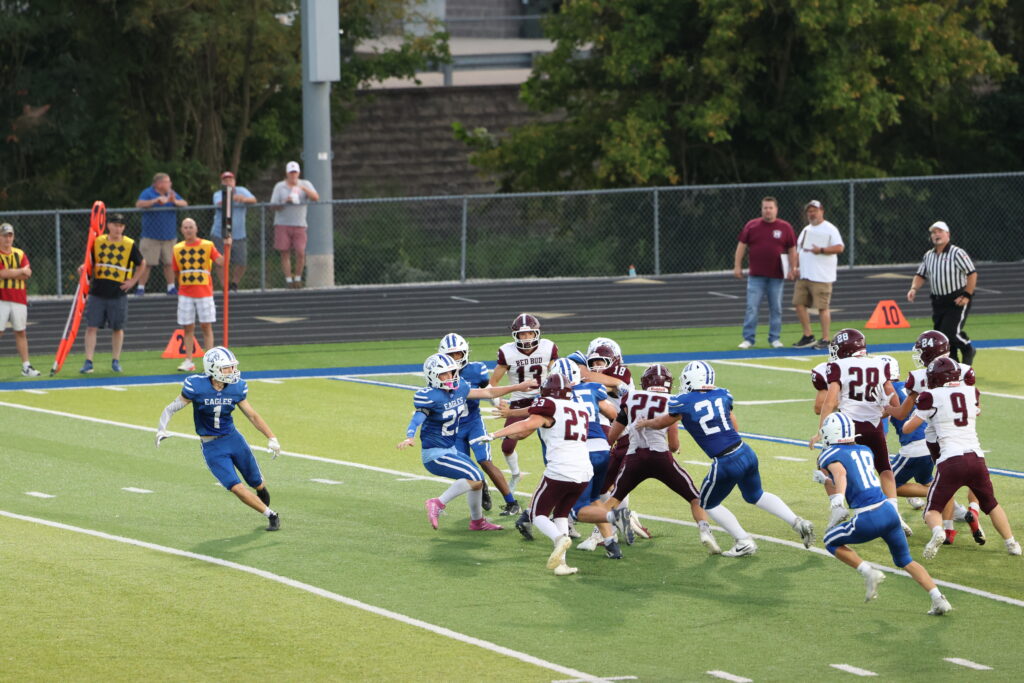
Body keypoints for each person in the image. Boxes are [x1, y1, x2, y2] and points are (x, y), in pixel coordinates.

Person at [638, 361, 814, 556]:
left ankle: (743, 540)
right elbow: (734, 426)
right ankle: (797, 522)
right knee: (756, 495)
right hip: (745, 451)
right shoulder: (723, 394)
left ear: (690, 379)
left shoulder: (683, 402)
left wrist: (645, 423)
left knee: (706, 503)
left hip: (725, 461)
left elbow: (661, 422)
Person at [815, 412, 952, 615]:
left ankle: (868, 572)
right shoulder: (864, 450)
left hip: (868, 516)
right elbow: (853, 477)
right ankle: (938, 598)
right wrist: (827, 481)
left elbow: (841, 473)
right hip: (888, 512)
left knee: (830, 541)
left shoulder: (828, 454)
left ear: (830, 433)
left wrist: (837, 501)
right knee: (905, 560)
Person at [472, 374, 599, 576]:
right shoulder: (580, 409)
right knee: (561, 514)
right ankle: (562, 564)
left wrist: (494, 435)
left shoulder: (549, 405)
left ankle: (559, 538)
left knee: (535, 514)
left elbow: (527, 424)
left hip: (560, 470)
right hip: (584, 471)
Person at [397, 353, 536, 532]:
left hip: (451, 450)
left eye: (452, 372)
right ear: (432, 376)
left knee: (477, 481)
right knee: (475, 476)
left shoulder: (460, 388)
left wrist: (518, 386)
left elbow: (488, 392)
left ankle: (477, 522)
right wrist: (410, 436)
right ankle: (437, 503)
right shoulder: (429, 396)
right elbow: (418, 417)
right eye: (444, 374)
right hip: (435, 454)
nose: (450, 376)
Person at [901, 357, 1021, 559]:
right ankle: (1012, 543)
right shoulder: (971, 391)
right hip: (976, 458)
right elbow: (975, 411)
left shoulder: (930, 396)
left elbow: (908, 428)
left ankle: (938, 532)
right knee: (991, 504)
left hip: (951, 460)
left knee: (932, 510)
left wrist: (921, 415)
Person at [155, 346, 282, 531]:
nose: (232, 371)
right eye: (227, 368)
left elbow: (252, 415)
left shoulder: (236, 387)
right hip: (212, 446)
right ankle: (271, 515)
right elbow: (171, 408)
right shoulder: (196, 386)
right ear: (213, 368)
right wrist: (161, 429)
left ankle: (261, 490)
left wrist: (272, 437)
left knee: (256, 481)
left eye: (232, 367)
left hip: (233, 439)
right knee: (235, 486)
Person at [884, 330, 983, 543]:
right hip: (961, 436)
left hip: (928, 440)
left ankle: (942, 523)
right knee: (962, 479)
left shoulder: (917, 378)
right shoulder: (964, 370)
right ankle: (969, 512)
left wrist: (886, 410)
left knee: (888, 483)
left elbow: (902, 415)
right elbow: (976, 406)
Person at [814, 329, 911, 535]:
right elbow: (894, 401)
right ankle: (894, 513)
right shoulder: (880, 363)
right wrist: (880, 413)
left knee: (826, 464)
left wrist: (821, 430)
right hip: (874, 424)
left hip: (847, 426)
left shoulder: (837, 366)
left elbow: (829, 402)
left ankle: (837, 506)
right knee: (884, 467)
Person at [437, 332, 520, 516]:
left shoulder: (476, 369)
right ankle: (482, 487)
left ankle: (511, 502)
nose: (455, 358)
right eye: (451, 354)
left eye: (458, 353)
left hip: (474, 423)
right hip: (454, 428)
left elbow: (488, 390)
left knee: (485, 461)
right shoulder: (437, 373)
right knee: (466, 470)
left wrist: (497, 403)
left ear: (465, 352)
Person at [489, 313, 558, 491]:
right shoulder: (508, 352)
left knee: (552, 442)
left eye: (529, 333)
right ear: (516, 335)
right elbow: (493, 383)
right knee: (507, 446)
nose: (526, 338)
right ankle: (515, 474)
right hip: (519, 401)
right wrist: (497, 402)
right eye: (522, 334)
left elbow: (557, 374)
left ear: (537, 333)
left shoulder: (548, 347)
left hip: (544, 399)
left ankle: (556, 477)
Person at [78, 213, 146, 374]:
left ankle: (116, 360)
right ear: (108, 225)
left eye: (121, 226)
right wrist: (83, 268)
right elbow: (90, 261)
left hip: (118, 293)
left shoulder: (129, 244)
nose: (118, 228)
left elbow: (142, 263)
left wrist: (132, 281)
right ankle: (88, 361)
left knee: (117, 328)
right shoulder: (98, 241)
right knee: (91, 326)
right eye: (115, 225)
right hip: (97, 291)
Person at [907, 221, 977, 365]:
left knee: (950, 332)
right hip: (938, 301)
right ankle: (953, 364)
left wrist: (967, 295)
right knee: (941, 335)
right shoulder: (928, 255)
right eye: (934, 232)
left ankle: (967, 348)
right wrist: (914, 288)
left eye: (940, 231)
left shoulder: (957, 253)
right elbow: (920, 274)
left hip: (956, 299)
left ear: (947, 234)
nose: (936, 234)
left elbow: (971, 273)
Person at [734, 196, 797, 349]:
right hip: (756, 276)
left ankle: (774, 338)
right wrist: (737, 265)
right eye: (765, 208)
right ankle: (748, 339)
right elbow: (741, 246)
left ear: (776, 209)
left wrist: (793, 268)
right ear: (761, 209)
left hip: (776, 276)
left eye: (770, 208)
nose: (768, 210)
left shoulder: (785, 227)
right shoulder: (752, 225)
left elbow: (792, 249)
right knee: (752, 308)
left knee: (776, 308)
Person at [173, 217, 227, 372]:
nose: (188, 230)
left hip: (204, 293)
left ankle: (209, 362)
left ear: (196, 229)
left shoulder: (207, 245)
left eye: (191, 227)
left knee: (206, 326)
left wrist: (228, 246)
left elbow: (221, 262)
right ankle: (188, 361)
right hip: (185, 293)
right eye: (185, 227)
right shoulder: (177, 248)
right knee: (187, 327)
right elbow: (176, 271)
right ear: (182, 230)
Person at [791, 200, 844, 350]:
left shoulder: (830, 229)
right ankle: (808, 336)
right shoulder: (806, 229)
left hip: (821, 276)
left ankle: (826, 338)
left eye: (814, 210)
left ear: (822, 211)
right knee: (798, 303)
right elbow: (799, 250)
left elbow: (839, 247)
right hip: (805, 274)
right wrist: (795, 267)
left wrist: (821, 250)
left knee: (822, 307)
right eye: (809, 211)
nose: (812, 214)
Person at [135, 172, 188, 295]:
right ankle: (140, 288)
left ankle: (171, 287)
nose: (170, 184)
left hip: (169, 236)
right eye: (167, 181)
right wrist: (155, 201)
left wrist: (174, 201)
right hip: (150, 236)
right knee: (146, 263)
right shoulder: (148, 192)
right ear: (159, 184)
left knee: (169, 263)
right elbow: (139, 204)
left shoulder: (171, 193)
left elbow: (184, 203)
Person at [0, 222, 41, 376]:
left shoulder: (20, 253)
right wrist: (19, 271)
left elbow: (27, 274)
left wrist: (12, 273)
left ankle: (26, 366)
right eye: (4, 236)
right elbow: (2, 273)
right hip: (1, 298)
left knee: (21, 332)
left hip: (18, 298)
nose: (7, 239)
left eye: (10, 236)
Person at [270, 161, 319, 288]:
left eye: (295, 173)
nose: (293, 175)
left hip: (299, 224)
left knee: (300, 252)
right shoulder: (280, 186)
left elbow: (316, 197)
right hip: (282, 223)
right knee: (285, 252)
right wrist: (284, 202)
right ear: (287, 174)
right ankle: (288, 280)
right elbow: (273, 205)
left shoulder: (305, 184)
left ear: (298, 173)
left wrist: (303, 189)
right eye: (291, 173)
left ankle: (298, 278)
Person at [211, 171, 257, 292]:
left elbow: (253, 200)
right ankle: (224, 286)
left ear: (234, 182)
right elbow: (218, 203)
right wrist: (230, 197)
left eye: (230, 180)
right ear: (222, 183)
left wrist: (243, 199)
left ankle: (234, 283)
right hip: (221, 234)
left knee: (242, 262)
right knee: (221, 261)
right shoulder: (218, 194)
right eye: (225, 180)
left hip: (239, 234)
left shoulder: (242, 190)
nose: (228, 182)